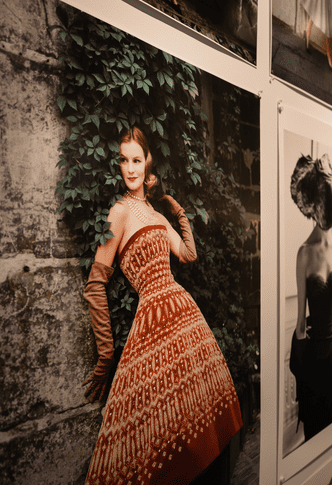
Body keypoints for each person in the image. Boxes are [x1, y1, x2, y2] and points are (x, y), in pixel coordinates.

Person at [82, 127, 242, 483]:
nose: (130, 168)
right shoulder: (119, 212)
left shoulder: (155, 214)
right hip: (152, 320)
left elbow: (188, 254)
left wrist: (178, 211)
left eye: (136, 159)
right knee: (163, 427)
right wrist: (106, 355)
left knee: (198, 417)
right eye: (123, 160)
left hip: (184, 318)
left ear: (147, 163)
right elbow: (95, 285)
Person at [289, 153, 332, 440]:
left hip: (326, 347)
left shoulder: (321, 252)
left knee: (323, 418)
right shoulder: (322, 252)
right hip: (325, 346)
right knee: (322, 420)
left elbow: (304, 324)